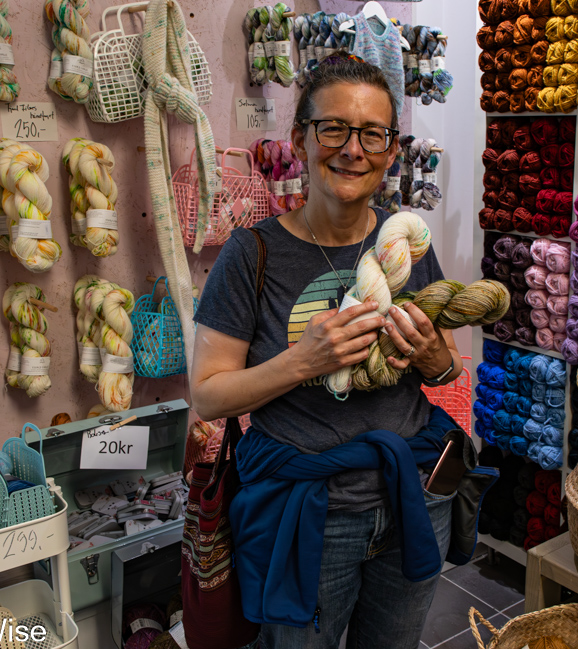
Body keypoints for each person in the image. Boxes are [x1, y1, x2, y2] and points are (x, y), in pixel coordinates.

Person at [190, 54, 464, 649]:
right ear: (301, 139)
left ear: (392, 150)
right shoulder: (250, 255)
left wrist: (429, 357)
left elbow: (447, 371)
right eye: (333, 128)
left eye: (373, 134)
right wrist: (303, 361)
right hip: (306, 516)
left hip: (411, 497)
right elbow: (207, 395)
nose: (352, 149)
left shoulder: (406, 242)